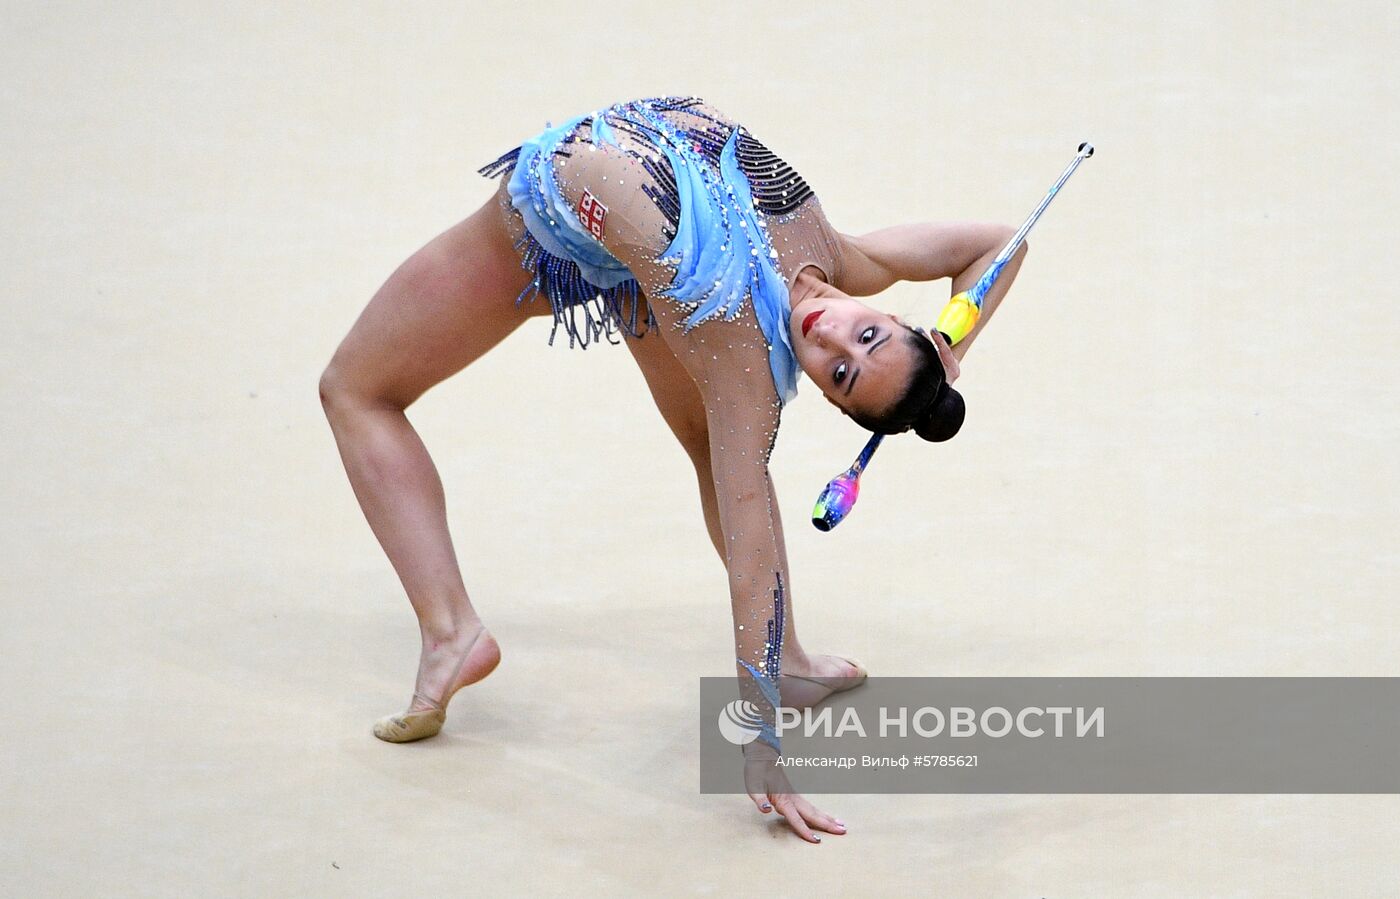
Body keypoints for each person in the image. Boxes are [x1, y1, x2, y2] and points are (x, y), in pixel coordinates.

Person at [318, 96, 1026, 843]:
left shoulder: (743, 363)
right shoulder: (844, 256)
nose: (832, 337)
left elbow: (752, 539)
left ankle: (449, 629)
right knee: (706, 437)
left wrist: (761, 741)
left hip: (547, 222)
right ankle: (786, 658)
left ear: (822, 394)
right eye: (872, 333)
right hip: (633, 223)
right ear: (895, 314)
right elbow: (998, 245)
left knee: (356, 389)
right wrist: (952, 346)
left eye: (841, 373)